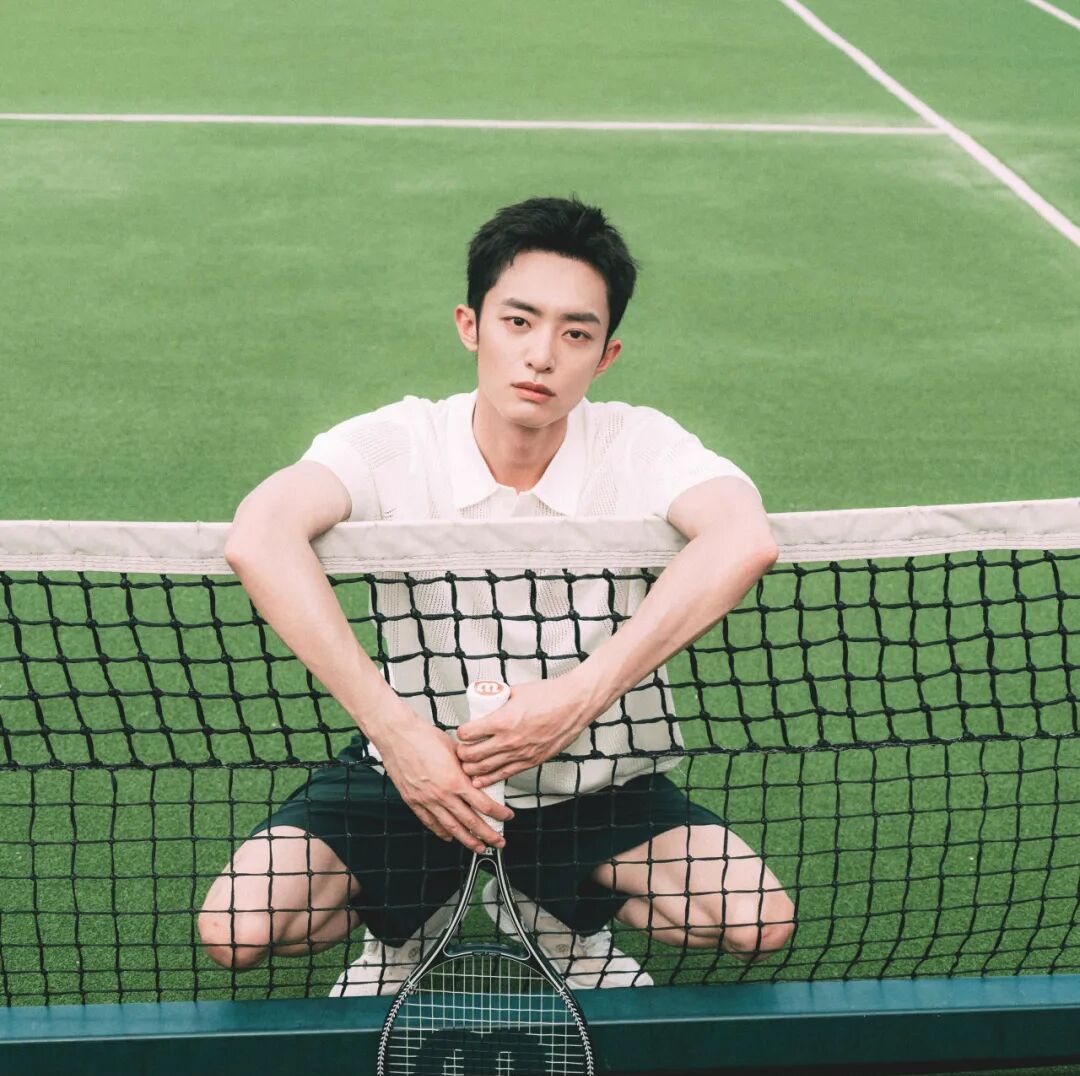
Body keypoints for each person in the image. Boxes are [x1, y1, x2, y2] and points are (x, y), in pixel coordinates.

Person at [199, 195, 795, 994]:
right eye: (519, 321)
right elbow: (260, 535)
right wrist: (396, 735)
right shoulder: (396, 443)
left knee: (755, 921)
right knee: (238, 928)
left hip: (594, 785)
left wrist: (575, 700)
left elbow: (743, 538)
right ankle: (412, 916)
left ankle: (554, 910)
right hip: (415, 779)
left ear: (606, 355)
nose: (542, 355)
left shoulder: (640, 445)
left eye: (575, 333)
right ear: (470, 325)